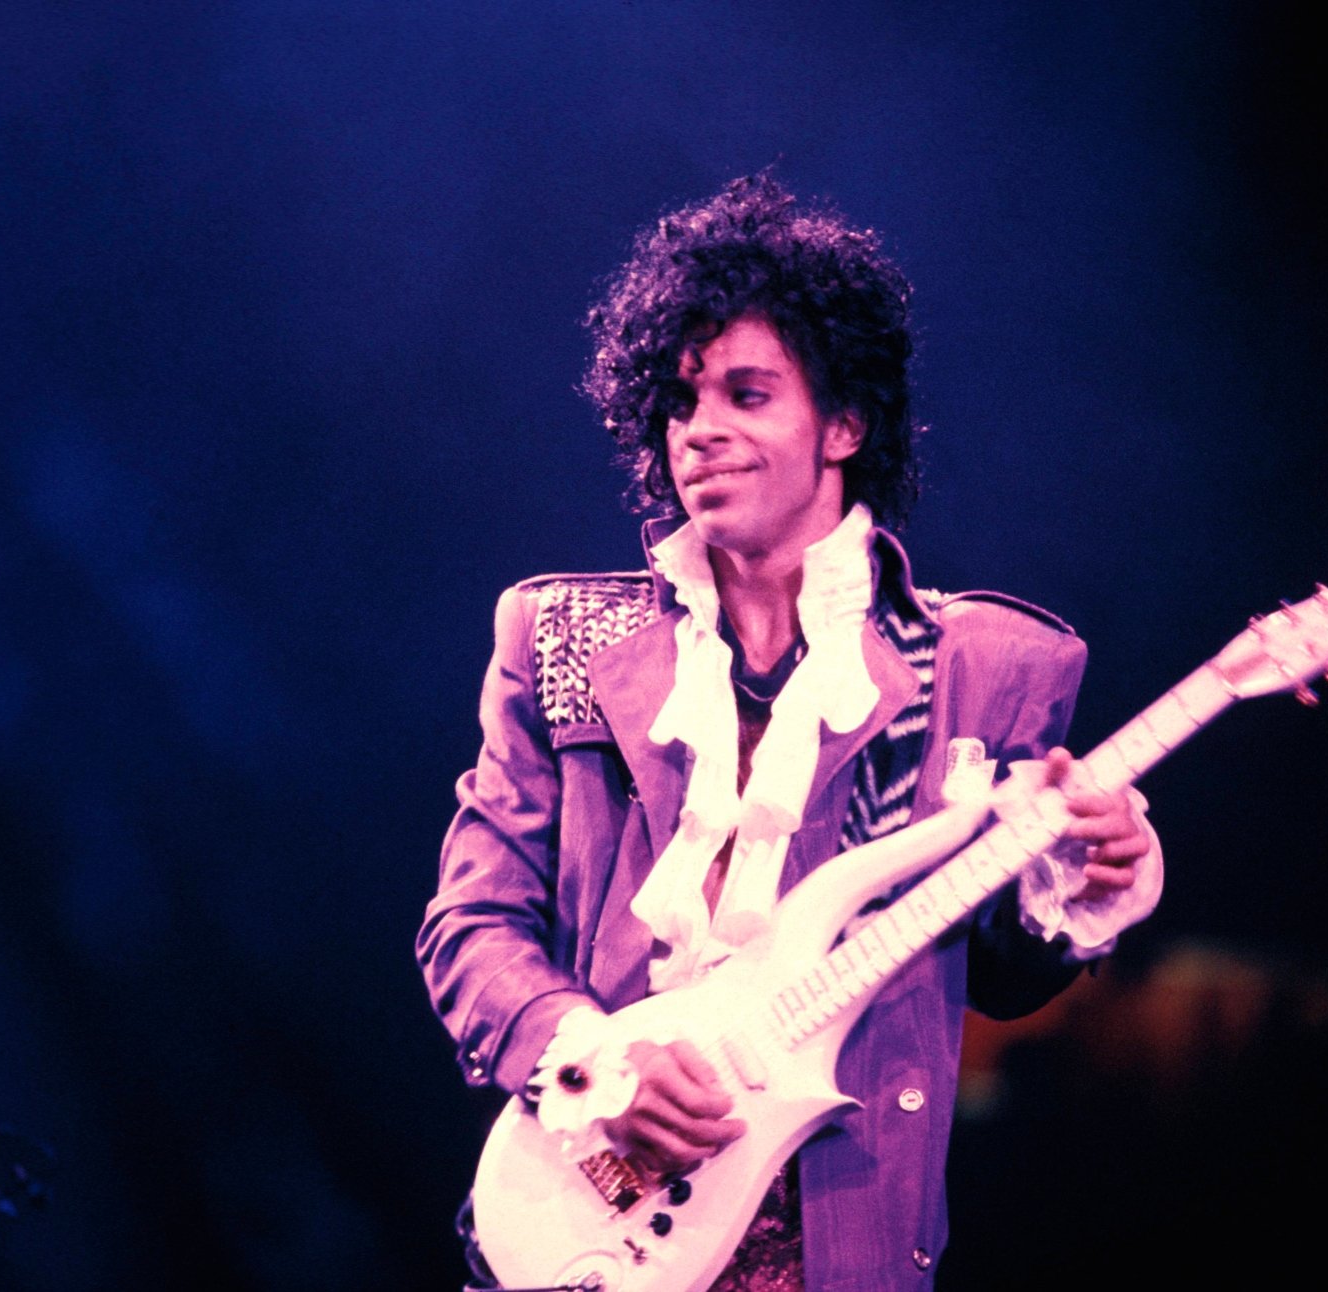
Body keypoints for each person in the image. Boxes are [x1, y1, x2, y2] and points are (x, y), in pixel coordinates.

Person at [417, 173, 1163, 1290]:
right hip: (591, 1213)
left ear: (844, 423)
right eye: (679, 402)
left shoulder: (982, 666)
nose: (699, 431)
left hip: (838, 1243)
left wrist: (1090, 873)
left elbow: (998, 972)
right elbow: (470, 923)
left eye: (746, 394)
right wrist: (594, 1059)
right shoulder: (558, 634)